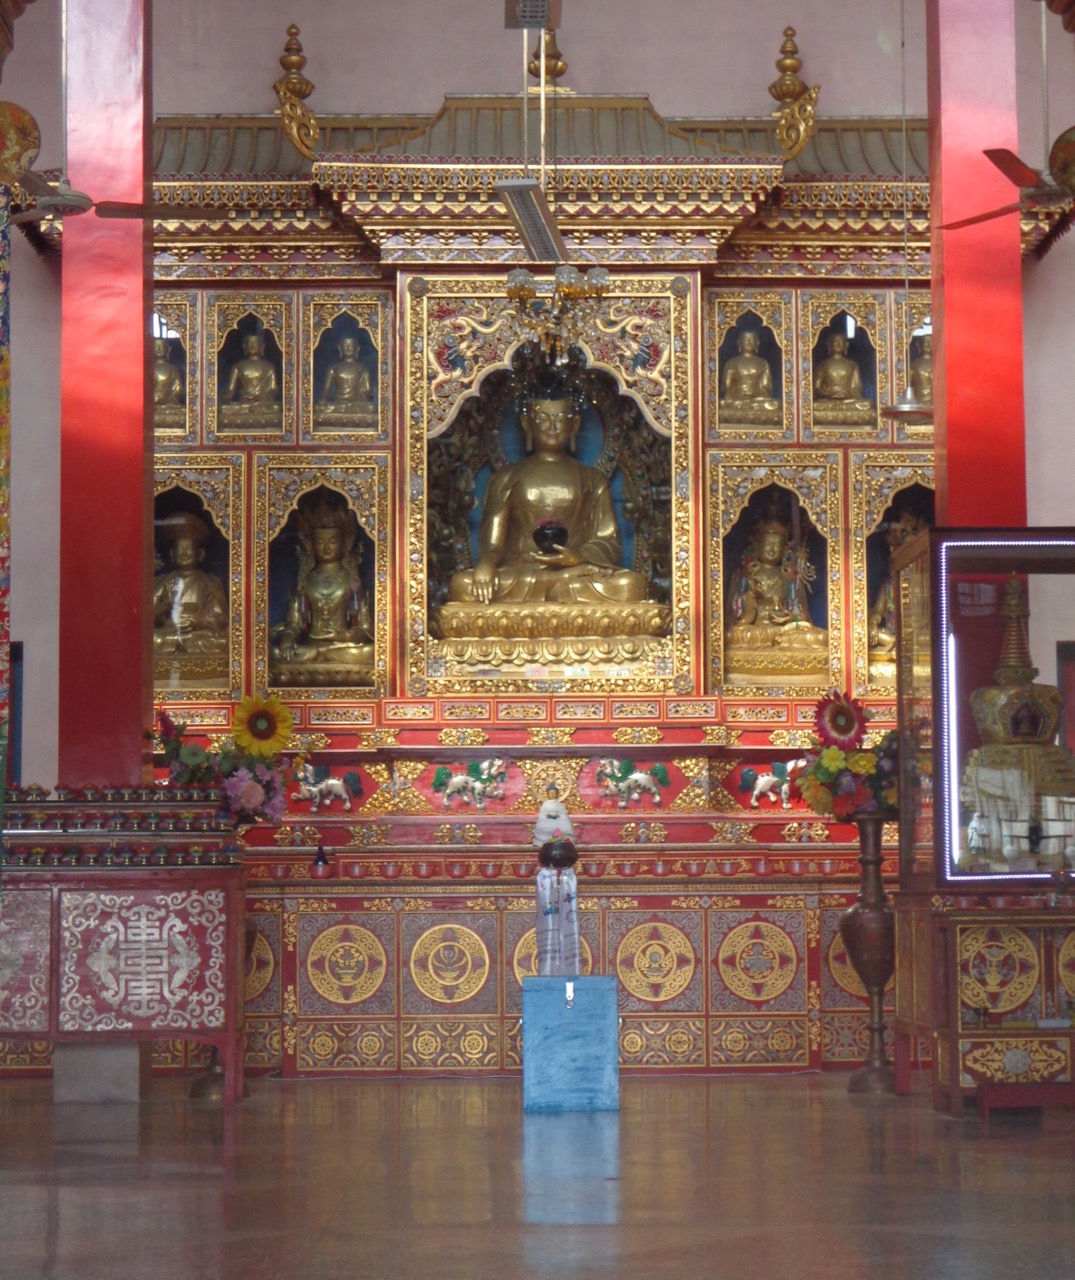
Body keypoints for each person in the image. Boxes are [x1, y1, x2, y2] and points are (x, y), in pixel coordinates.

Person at [447, 390, 649, 606]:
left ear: (574, 424)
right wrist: (486, 564)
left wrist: (578, 557)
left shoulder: (593, 479)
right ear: (527, 423)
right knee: (462, 584)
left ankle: (557, 587)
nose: (552, 427)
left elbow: (609, 542)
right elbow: (492, 544)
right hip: (522, 575)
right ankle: (555, 590)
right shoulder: (505, 478)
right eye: (543, 419)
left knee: (631, 584)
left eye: (560, 419)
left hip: (575, 574)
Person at [270, 497, 374, 680]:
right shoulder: (304, 581)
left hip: (342, 648)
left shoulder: (353, 582)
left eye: (332, 541)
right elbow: (294, 623)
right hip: (310, 648)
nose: (326, 548)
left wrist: (347, 636)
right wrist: (288, 638)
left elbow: (365, 627)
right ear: (311, 545)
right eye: (320, 542)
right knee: (275, 653)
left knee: (370, 652)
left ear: (344, 543)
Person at [726, 515, 826, 650]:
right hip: (756, 630)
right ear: (757, 546)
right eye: (768, 544)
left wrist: (791, 618)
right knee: (730, 636)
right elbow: (734, 617)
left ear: (784, 550)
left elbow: (803, 617)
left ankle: (777, 640)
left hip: (785, 630)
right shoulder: (745, 576)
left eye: (777, 545)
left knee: (821, 638)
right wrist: (751, 595)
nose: (772, 549)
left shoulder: (790, 578)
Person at [152, 513, 228, 660]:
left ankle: (183, 644)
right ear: (172, 554)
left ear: (200, 554)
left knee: (222, 642)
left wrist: (196, 622)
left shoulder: (210, 582)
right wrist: (165, 608)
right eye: (180, 549)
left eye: (188, 549)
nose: (184, 554)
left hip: (197, 636)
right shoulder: (163, 581)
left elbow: (220, 618)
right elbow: (146, 616)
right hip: (168, 634)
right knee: (151, 639)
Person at [720, 329, 780, 420]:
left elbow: (766, 387)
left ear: (757, 343)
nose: (749, 342)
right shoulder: (732, 363)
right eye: (746, 339)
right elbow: (727, 387)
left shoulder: (763, 363)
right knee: (720, 404)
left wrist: (756, 394)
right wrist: (737, 397)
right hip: (736, 402)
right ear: (739, 342)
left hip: (757, 401)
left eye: (752, 339)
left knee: (775, 404)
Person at [813, 331, 873, 421]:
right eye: (835, 341)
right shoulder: (823, 365)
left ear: (846, 345)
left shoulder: (852, 365)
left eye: (841, 342)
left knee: (868, 404)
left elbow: (858, 387)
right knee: (814, 406)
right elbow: (816, 388)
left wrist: (847, 393)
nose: (838, 344)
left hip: (848, 401)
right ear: (829, 344)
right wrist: (828, 394)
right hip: (829, 401)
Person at [316, 335, 374, 419]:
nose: (348, 348)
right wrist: (323, 401)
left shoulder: (363, 369)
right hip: (338, 405)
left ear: (357, 348)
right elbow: (326, 391)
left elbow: (367, 392)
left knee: (370, 408)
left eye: (351, 346)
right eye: (345, 346)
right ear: (340, 348)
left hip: (356, 406)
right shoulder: (334, 368)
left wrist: (364, 396)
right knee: (320, 408)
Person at [223, 331, 278, 412]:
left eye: (255, 343)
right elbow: (230, 389)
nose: (253, 346)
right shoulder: (238, 366)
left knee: (276, 407)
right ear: (244, 346)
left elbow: (273, 388)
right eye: (250, 343)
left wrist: (262, 396)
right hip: (244, 403)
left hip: (262, 403)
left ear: (262, 346)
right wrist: (227, 396)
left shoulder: (269, 366)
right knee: (226, 409)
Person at [533, 783, 576, 848]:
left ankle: (562, 839)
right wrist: (547, 816)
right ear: (547, 794)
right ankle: (542, 841)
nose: (552, 795)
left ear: (557, 794)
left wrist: (558, 816)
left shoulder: (559, 804)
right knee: (542, 823)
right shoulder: (545, 804)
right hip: (547, 820)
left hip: (559, 820)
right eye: (550, 793)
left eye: (554, 793)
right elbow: (542, 814)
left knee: (565, 822)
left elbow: (563, 813)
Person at [153, 338, 184, 415]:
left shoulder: (173, 369)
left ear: (168, 349)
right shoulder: (146, 368)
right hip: (151, 404)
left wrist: (167, 398)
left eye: (161, 346)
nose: (159, 349)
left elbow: (177, 387)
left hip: (168, 405)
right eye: (156, 347)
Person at [909, 334, 933, 407]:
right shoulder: (914, 365)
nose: (928, 345)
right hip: (920, 402)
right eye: (926, 343)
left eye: (930, 342)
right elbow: (909, 385)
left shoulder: (940, 363)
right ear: (920, 346)